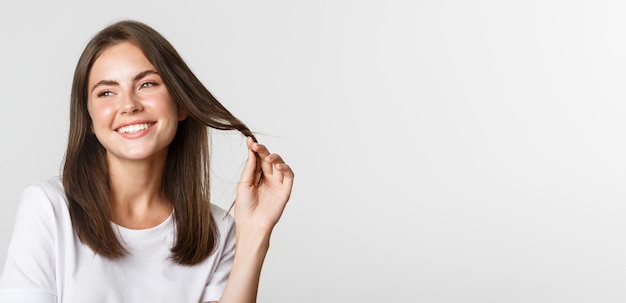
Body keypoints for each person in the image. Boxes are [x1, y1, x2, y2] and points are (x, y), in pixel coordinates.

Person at [0, 20, 294, 303]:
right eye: (106, 92)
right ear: (88, 119)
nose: (129, 105)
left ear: (181, 103)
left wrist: (255, 232)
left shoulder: (217, 230)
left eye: (147, 84)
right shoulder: (48, 208)